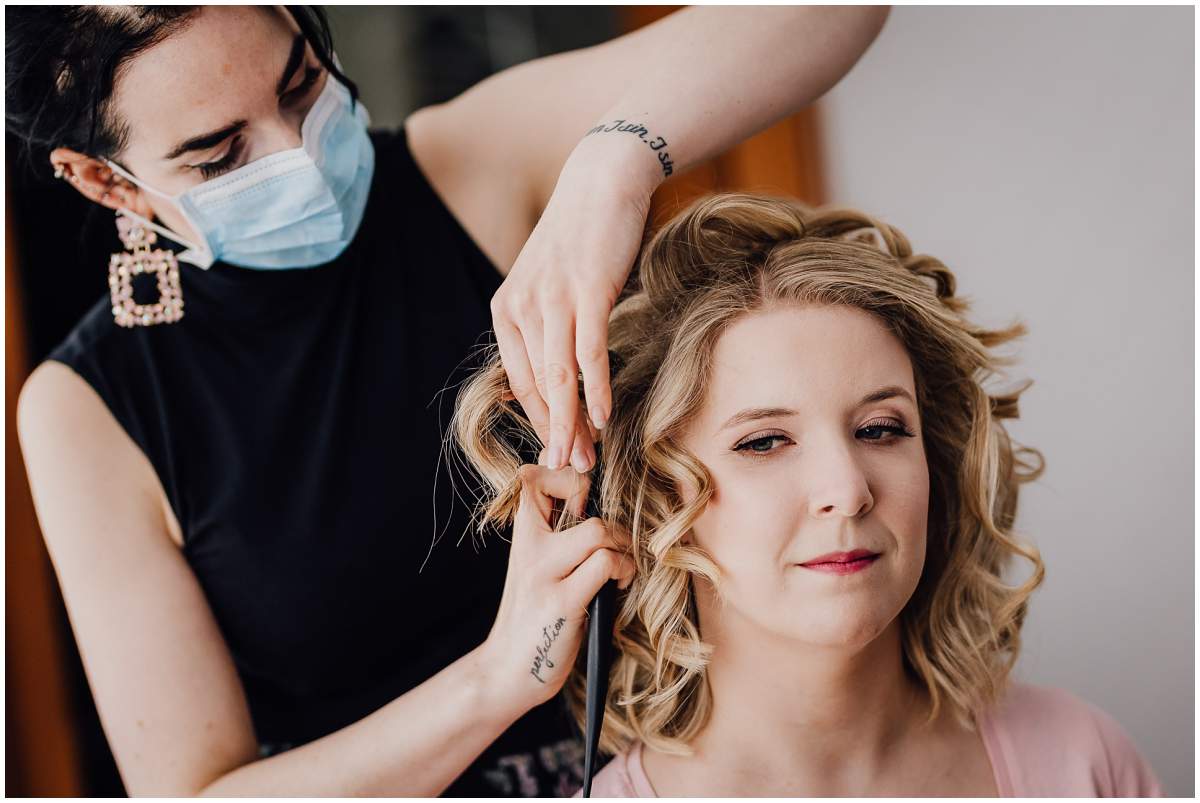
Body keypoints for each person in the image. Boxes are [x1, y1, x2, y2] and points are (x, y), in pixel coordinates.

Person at [7, 4, 894, 796]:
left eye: (302, 83)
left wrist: (615, 161)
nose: (298, 153)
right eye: (221, 152)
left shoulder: (469, 164)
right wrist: (500, 676)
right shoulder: (87, 410)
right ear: (109, 184)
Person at [453, 193, 1166, 796]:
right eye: (764, 441)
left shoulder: (1081, 761)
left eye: (882, 428)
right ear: (656, 497)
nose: (848, 491)